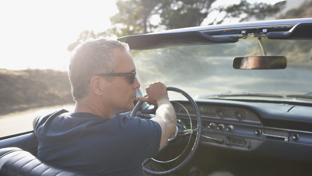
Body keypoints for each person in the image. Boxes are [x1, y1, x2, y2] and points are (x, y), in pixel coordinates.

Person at [33, 39, 177, 176]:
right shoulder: (125, 134)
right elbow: (169, 122)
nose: (137, 84)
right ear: (98, 85)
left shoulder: (48, 123)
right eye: (131, 76)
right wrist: (162, 98)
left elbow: (37, 117)